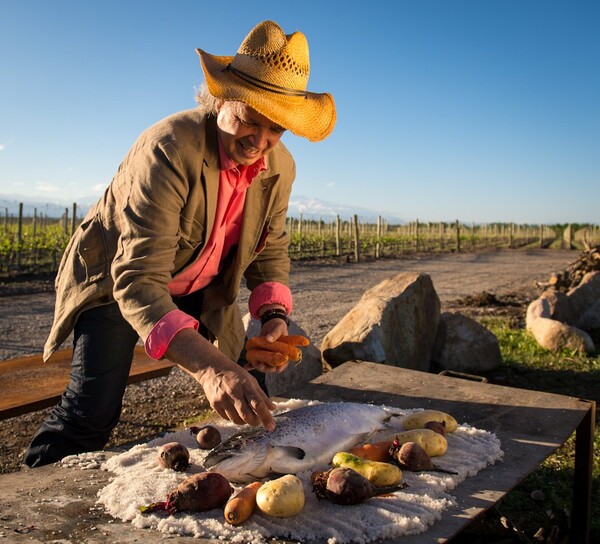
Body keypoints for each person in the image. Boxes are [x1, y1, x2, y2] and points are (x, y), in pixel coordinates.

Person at [23, 20, 336, 468]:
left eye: (277, 129)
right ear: (223, 98)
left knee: (251, 394)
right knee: (89, 413)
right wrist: (209, 368)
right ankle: (26, 516)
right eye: (251, 120)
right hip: (118, 281)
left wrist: (273, 316)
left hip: (198, 284)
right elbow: (138, 281)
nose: (260, 142)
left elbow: (270, 250)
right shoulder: (169, 148)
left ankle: (256, 487)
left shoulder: (279, 166)